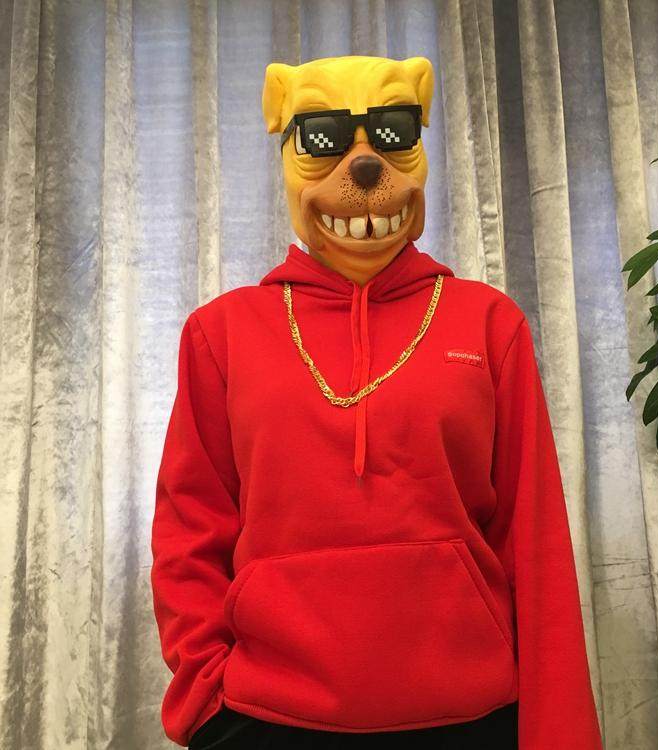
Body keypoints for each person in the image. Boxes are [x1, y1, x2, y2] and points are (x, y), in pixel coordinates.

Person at [150, 55, 603, 749]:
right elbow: (189, 531)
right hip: (265, 720)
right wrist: (207, 701)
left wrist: (557, 735)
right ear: (286, 153)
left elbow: (534, 541)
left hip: (470, 719)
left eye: (393, 133)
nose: (363, 166)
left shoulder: (488, 323)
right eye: (324, 140)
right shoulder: (222, 334)